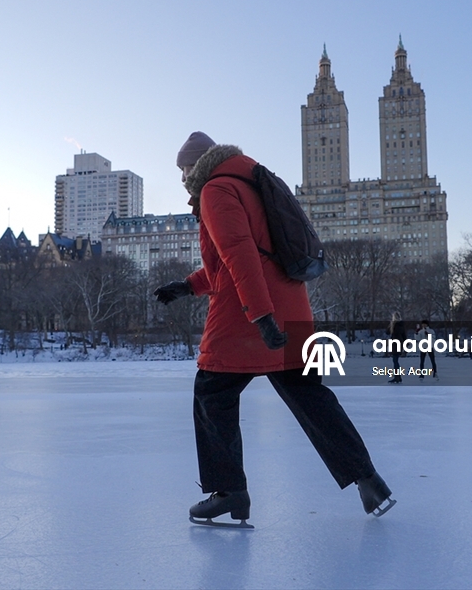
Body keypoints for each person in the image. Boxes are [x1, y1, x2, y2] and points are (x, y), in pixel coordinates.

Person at [154, 132, 394, 525]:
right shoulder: (251, 179)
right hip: (291, 305)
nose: (181, 177)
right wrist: (188, 285)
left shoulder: (215, 189)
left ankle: (229, 492)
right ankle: (368, 479)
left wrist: (260, 317)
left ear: (199, 164)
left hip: (245, 315)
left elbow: (240, 256)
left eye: (184, 168)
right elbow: (246, 256)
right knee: (311, 398)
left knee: (211, 393)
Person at [387, 312, 406, 383]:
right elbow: (404, 335)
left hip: (395, 344)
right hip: (398, 343)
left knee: (395, 361)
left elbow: (388, 332)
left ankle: (397, 377)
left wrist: (391, 325)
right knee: (395, 360)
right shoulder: (401, 325)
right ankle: (398, 377)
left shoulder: (395, 325)